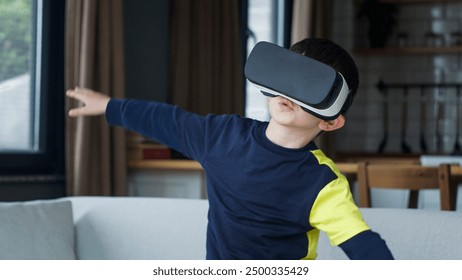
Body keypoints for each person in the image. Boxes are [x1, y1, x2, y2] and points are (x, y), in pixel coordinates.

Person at [66, 38, 394, 260]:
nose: (292, 93)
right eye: (290, 75)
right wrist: (110, 106)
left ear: (330, 122)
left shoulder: (324, 183)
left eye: (311, 87)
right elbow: (168, 121)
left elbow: (362, 244)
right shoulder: (222, 136)